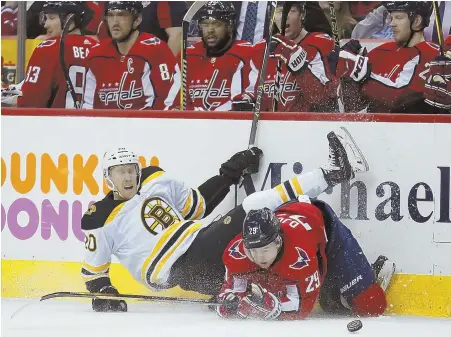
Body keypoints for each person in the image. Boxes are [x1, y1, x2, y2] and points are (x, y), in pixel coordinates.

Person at [81, 127, 368, 312]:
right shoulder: (100, 217)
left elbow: (198, 205)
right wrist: (104, 294)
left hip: (200, 247)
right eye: (121, 172)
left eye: (131, 169)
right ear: (108, 177)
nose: (129, 176)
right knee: (256, 208)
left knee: (273, 235)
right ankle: (331, 173)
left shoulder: (154, 178)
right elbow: (94, 272)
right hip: (179, 270)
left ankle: (334, 291)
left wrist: (229, 173)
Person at [216, 198, 395, 320]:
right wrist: (227, 303)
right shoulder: (236, 253)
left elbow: (301, 308)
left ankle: (371, 274)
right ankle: (331, 292)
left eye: (264, 250)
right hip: (294, 219)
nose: (258, 257)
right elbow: (230, 290)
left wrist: (267, 304)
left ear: (278, 242)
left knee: (372, 306)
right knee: (330, 306)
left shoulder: (298, 256)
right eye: (252, 251)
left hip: (328, 234)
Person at [331, 1, 449, 113]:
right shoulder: (381, 51)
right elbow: (350, 106)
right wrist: (345, 76)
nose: (392, 23)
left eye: (398, 18)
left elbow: (400, 100)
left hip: (409, 131)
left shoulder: (433, 54)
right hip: (371, 129)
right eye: (391, 18)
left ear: (417, 21)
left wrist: (360, 72)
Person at [82, 1, 179, 110]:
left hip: (146, 124)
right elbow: (88, 104)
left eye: (122, 15)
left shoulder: (155, 49)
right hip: (106, 124)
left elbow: (166, 101)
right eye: (110, 16)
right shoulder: (97, 55)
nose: (115, 22)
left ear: (137, 20)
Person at [247, 2, 337, 113]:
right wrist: (246, 100)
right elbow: (252, 93)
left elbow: (322, 98)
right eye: (279, 11)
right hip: (268, 126)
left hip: (307, 125)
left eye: (291, 11)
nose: (285, 16)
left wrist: (300, 66)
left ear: (302, 14)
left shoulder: (320, 43)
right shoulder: (260, 49)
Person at [17, 2, 96, 108]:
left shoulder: (48, 48)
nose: (46, 24)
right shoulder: (98, 49)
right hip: (93, 122)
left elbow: (30, 102)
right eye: (45, 18)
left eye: (52, 18)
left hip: (56, 122)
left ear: (70, 19)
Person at [181, 1, 254, 111]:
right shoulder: (188, 55)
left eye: (217, 24)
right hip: (193, 124)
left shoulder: (246, 53)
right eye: (205, 24)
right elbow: (175, 103)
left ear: (230, 26)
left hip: (231, 124)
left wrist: (209, 116)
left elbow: (240, 103)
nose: (210, 30)